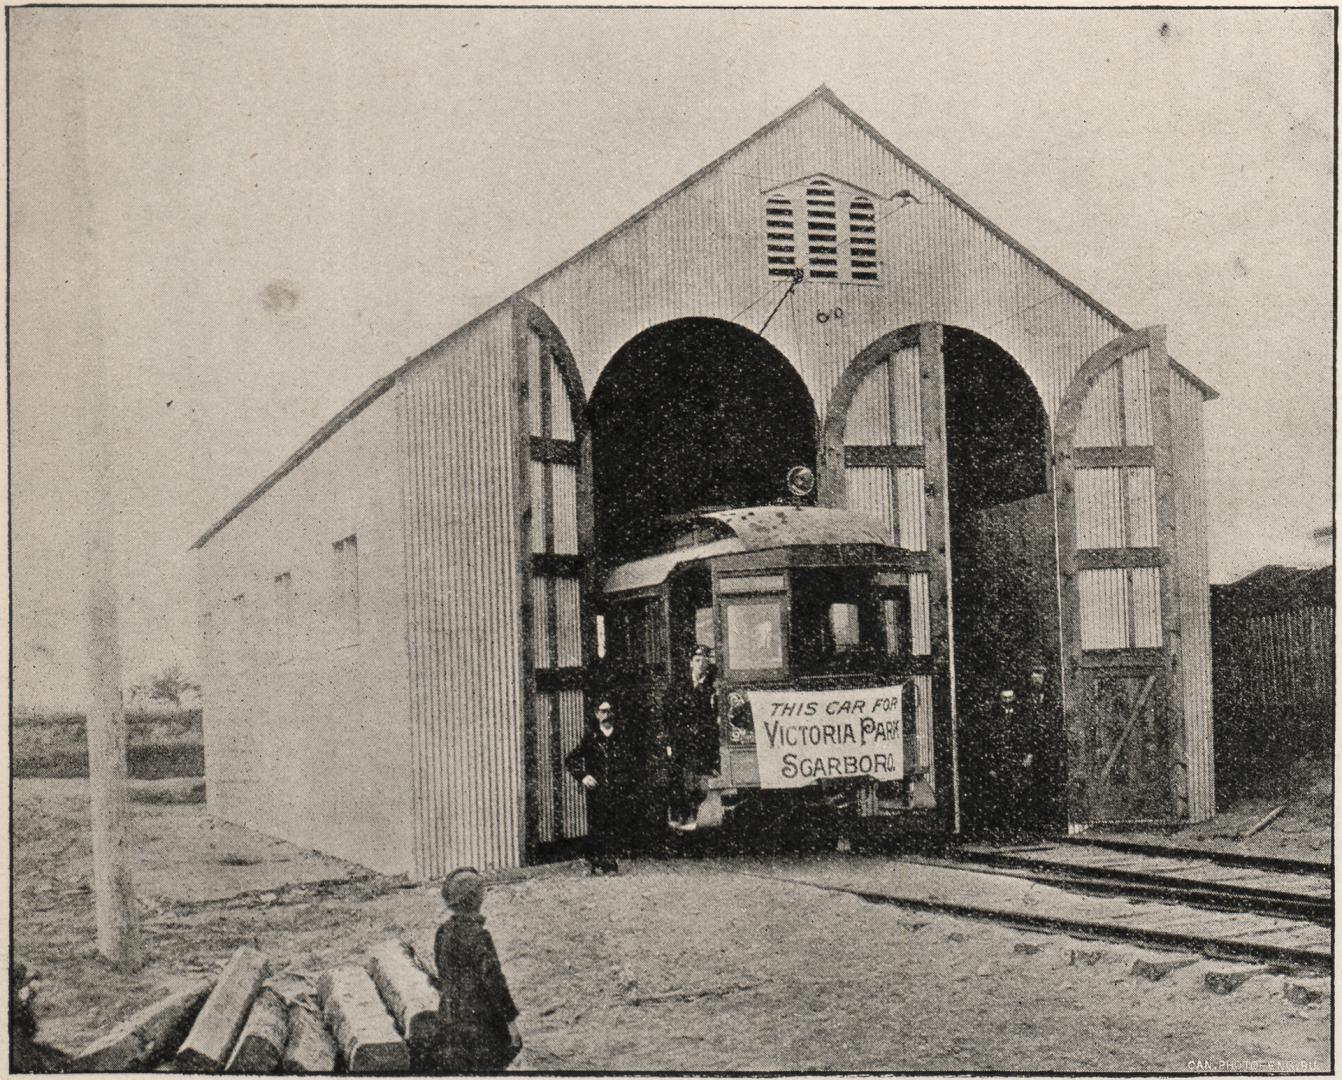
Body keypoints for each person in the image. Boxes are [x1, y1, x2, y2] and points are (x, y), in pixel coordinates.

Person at [426, 867, 522, 1074]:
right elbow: (495, 982)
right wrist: (511, 1022)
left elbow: (442, 974)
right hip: (481, 1029)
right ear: (476, 899)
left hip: (449, 1024)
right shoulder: (479, 937)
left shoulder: (443, 932)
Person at [564, 699, 632, 874]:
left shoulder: (623, 737)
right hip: (598, 791)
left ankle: (611, 863)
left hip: (617, 789)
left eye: (609, 711)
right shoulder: (591, 739)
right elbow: (570, 759)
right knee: (598, 825)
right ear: (596, 714)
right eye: (602, 711)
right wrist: (583, 776)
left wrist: (625, 780)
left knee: (615, 825)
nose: (606, 715)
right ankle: (596, 863)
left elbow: (633, 763)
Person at [662, 645, 719, 830]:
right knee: (681, 779)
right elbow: (667, 715)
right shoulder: (678, 688)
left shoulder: (713, 689)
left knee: (700, 779)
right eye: (697, 660)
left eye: (704, 661)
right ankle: (681, 817)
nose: (700, 664)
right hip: (682, 742)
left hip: (703, 742)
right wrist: (669, 742)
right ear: (690, 663)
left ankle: (697, 818)